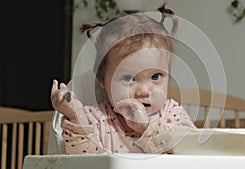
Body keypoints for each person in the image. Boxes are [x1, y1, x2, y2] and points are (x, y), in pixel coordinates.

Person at [49, 4, 196, 155]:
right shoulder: (96, 119)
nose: (143, 91)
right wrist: (75, 116)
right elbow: (83, 160)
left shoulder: (172, 114)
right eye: (128, 78)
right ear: (102, 79)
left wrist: (146, 128)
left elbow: (192, 154)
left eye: (155, 76)